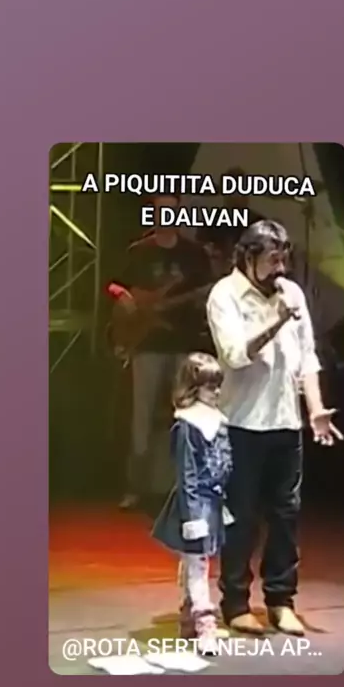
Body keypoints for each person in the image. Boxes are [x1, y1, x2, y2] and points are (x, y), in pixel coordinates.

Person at [206, 220, 344, 636]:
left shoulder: (292, 293)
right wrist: (277, 321)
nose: (281, 267)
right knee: (241, 517)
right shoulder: (225, 295)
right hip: (242, 424)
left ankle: (281, 600)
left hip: (285, 423)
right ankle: (235, 603)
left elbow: (307, 358)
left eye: (284, 258)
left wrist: (315, 409)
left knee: (286, 516)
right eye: (272, 259)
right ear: (248, 257)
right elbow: (234, 355)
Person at [117, 192, 213, 510]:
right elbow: (114, 285)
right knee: (141, 418)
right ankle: (135, 488)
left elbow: (208, 292)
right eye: (161, 211)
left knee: (183, 416)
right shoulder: (139, 251)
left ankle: (181, 486)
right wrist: (125, 299)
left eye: (172, 211)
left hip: (182, 344)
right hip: (147, 345)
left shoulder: (194, 254)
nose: (166, 216)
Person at [152, 353, 234, 654]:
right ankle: (204, 623)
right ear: (194, 387)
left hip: (213, 502)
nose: (216, 392)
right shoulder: (188, 425)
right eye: (210, 386)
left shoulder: (218, 421)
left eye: (218, 386)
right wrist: (192, 516)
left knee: (198, 561)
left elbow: (223, 464)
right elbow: (186, 473)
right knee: (197, 562)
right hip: (195, 504)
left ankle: (189, 616)